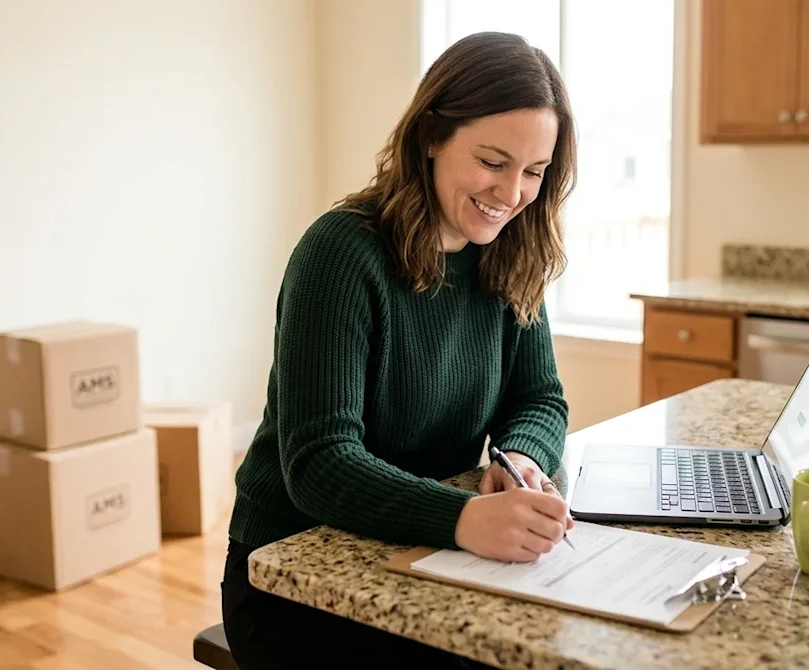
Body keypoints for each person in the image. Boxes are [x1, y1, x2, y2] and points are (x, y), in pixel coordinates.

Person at [220, 30, 578, 668]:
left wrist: (522, 458)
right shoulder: (340, 253)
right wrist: (465, 517)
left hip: (422, 551)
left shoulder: (511, 252)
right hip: (292, 579)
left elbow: (540, 397)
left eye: (534, 172)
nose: (512, 194)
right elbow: (321, 463)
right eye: (493, 162)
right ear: (432, 137)